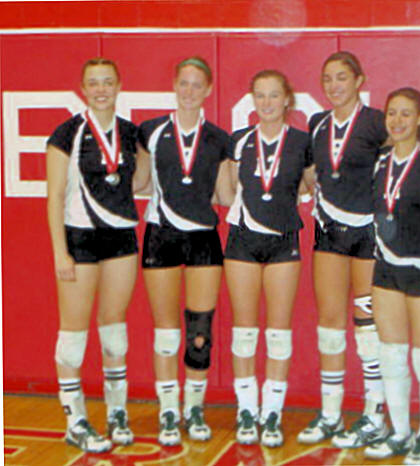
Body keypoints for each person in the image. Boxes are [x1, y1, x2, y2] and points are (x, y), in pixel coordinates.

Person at [136, 56, 231, 446]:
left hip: (204, 238)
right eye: (184, 83)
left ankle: (194, 408)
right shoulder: (151, 131)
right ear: (174, 85)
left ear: (208, 90)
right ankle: (168, 410)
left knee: (199, 332)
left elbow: (225, 195)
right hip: (160, 234)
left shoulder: (220, 139)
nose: (189, 91)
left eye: (197, 85)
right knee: (165, 332)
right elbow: (139, 182)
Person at [297, 51, 389, 448]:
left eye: (342, 77)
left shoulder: (378, 122)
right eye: (327, 78)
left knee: (367, 325)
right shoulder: (317, 123)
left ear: (359, 80)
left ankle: (375, 414)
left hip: (368, 233)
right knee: (330, 324)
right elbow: (311, 174)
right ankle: (331, 413)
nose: (334, 85)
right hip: (330, 233)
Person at [46, 57, 139, 452]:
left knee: (115, 332)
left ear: (119, 86)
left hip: (121, 240)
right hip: (80, 239)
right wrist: (60, 253)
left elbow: (141, 181)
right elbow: (54, 197)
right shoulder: (66, 134)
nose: (101, 89)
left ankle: (117, 413)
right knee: (73, 335)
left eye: (107, 82)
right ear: (83, 89)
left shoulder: (131, 133)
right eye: (94, 83)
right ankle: (76, 420)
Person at [362, 88, 420, 464]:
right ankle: (400, 433)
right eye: (391, 114)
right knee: (391, 356)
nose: (397, 121)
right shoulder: (380, 162)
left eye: (405, 114)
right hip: (386, 268)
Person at [225, 69, 313, 447]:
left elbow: (310, 186)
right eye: (259, 95)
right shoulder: (239, 140)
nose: (267, 102)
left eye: (274, 95)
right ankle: (247, 409)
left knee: (278, 333)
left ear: (287, 99)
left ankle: (272, 411)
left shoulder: (303, 142)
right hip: (242, 240)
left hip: (283, 241)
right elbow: (228, 191)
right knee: (244, 332)